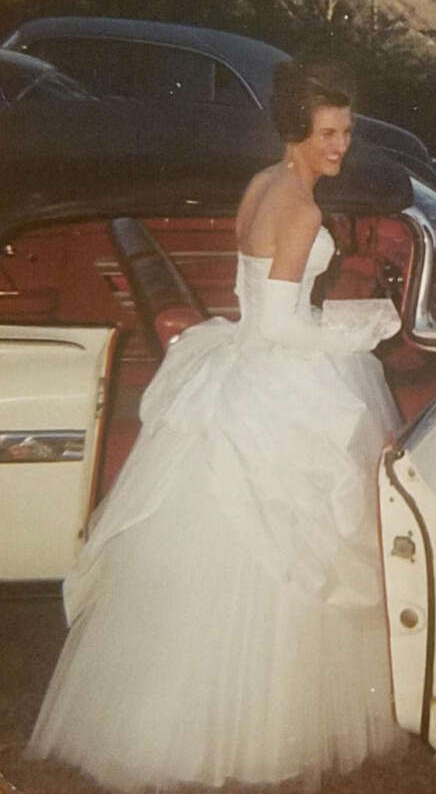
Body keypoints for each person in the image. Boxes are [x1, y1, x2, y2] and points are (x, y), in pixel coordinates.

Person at [26, 59, 406, 791]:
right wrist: (363, 325)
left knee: (225, 556)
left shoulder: (263, 184)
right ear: (299, 129)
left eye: (349, 131)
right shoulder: (300, 210)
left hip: (238, 363)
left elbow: (258, 304)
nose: (342, 146)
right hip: (276, 371)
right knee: (284, 559)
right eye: (330, 133)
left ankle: (168, 723)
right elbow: (288, 329)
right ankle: (255, 732)